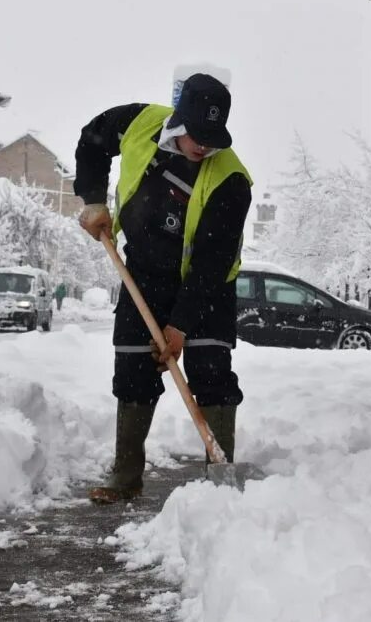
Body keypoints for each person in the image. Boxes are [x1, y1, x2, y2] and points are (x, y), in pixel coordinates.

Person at [73, 73, 253, 504]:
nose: (204, 146)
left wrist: (181, 326)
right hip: (144, 275)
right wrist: (94, 200)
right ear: (180, 117)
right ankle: (126, 476)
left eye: (214, 137)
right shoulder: (137, 123)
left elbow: (212, 264)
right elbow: (92, 141)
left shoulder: (231, 180)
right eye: (198, 134)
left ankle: (220, 479)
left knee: (211, 372)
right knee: (133, 369)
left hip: (208, 287)